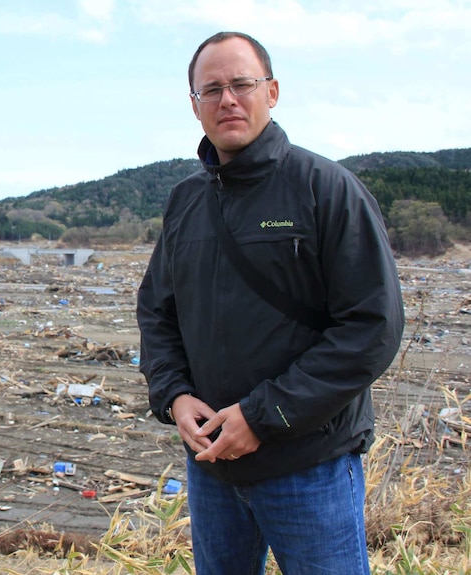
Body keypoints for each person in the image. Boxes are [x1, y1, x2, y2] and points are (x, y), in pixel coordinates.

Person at [136, 31, 404, 575]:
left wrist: (263, 416)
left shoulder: (325, 188)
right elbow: (158, 313)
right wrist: (175, 396)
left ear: (273, 91)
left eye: (241, 84)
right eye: (211, 90)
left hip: (310, 466)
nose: (227, 99)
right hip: (212, 468)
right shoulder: (186, 202)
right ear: (194, 105)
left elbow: (372, 326)